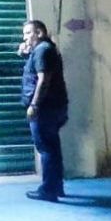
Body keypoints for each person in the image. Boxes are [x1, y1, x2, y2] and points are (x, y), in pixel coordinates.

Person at [18, 19, 69, 202]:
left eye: (28, 33)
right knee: (53, 148)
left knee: (46, 149)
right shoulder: (46, 49)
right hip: (54, 107)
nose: (24, 38)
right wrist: (26, 54)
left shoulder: (42, 50)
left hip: (45, 109)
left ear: (39, 33)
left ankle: (48, 190)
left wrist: (34, 105)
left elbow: (43, 79)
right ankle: (56, 186)